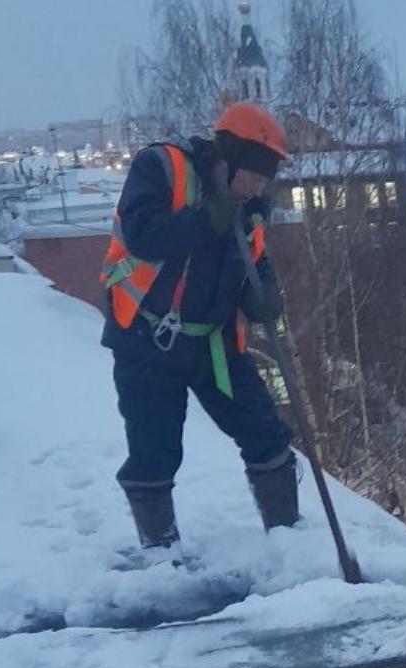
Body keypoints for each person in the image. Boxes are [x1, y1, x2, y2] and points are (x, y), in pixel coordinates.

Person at [100, 102, 297, 552]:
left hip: (214, 345)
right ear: (228, 159)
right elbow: (142, 234)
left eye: (265, 178)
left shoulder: (250, 205)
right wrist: (206, 220)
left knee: (266, 435)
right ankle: (161, 553)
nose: (257, 186)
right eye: (253, 175)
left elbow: (256, 256)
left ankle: (289, 542)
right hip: (148, 340)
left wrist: (263, 292)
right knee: (154, 451)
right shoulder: (162, 168)